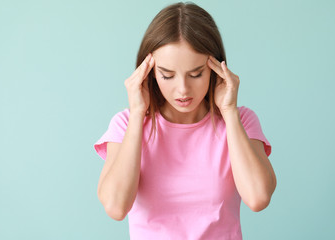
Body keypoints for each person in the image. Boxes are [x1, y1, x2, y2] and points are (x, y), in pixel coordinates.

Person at [94, 2, 276, 239]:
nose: (183, 89)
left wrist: (229, 111)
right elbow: (116, 207)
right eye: (167, 75)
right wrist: (138, 114)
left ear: (215, 68)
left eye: (196, 73)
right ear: (149, 71)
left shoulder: (241, 121)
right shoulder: (126, 125)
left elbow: (258, 198)